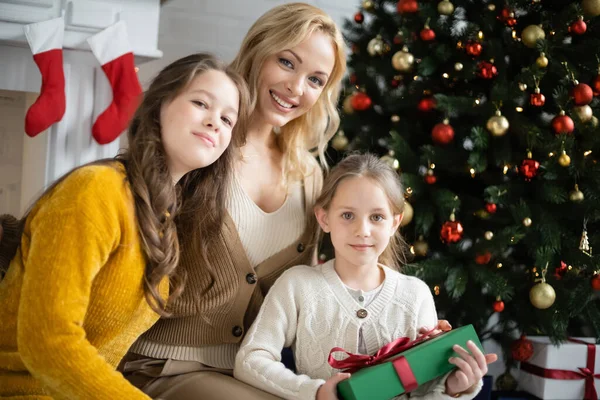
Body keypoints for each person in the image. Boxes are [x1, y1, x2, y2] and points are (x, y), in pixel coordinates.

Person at [119, 3, 347, 399]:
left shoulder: (310, 177)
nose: (296, 88)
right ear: (258, 51)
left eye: (315, 79)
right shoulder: (205, 144)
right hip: (162, 365)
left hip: (254, 373)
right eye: (287, 62)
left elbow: (303, 298)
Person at [0, 53, 251, 399]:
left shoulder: (164, 222)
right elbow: (47, 339)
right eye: (200, 103)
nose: (215, 122)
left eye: (227, 119)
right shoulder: (96, 190)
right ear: (159, 105)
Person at [234, 154, 498, 400]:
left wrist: (452, 389)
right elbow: (250, 360)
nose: (362, 230)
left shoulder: (414, 295)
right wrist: (314, 392)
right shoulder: (298, 285)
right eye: (348, 215)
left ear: (394, 223)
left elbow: (422, 391)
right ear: (324, 218)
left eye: (377, 217)